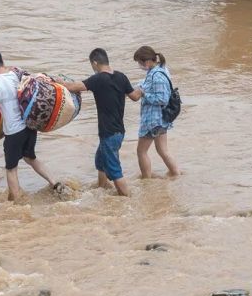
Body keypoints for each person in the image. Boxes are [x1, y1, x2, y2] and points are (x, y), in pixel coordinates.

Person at [0, 51, 61, 201]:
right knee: (30, 158)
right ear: (2, 62)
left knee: (11, 169)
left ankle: (16, 203)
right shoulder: (15, 75)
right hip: (29, 126)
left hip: (14, 132)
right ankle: (56, 183)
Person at [58, 48, 138, 196]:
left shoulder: (99, 79)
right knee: (100, 161)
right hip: (119, 131)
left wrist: (59, 82)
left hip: (108, 132)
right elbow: (135, 96)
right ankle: (102, 188)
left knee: (114, 170)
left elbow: (74, 87)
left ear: (95, 63)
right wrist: (145, 88)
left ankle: (128, 199)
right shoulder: (121, 77)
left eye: (92, 65)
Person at [130, 46, 180, 179]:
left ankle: (146, 180)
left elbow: (162, 99)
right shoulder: (160, 70)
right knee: (162, 150)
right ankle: (175, 174)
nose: (139, 66)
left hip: (153, 120)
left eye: (139, 63)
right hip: (161, 120)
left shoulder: (157, 76)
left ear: (146, 62)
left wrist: (144, 94)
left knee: (141, 151)